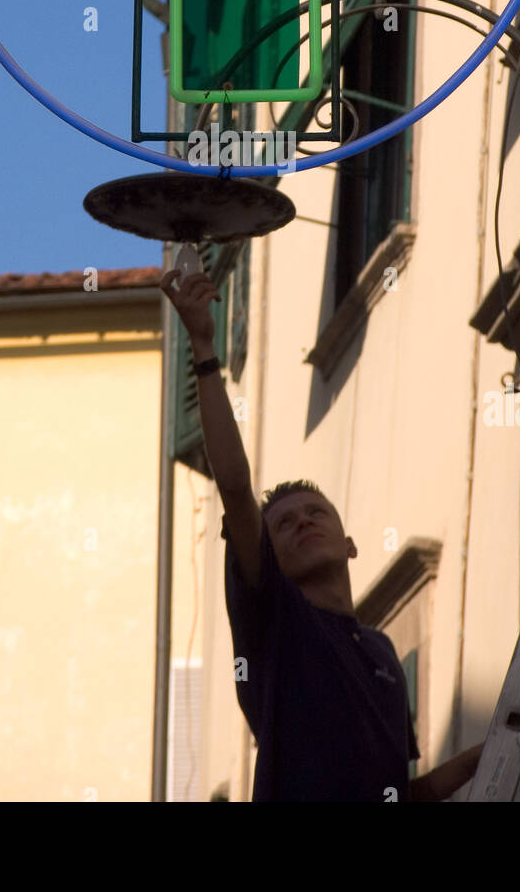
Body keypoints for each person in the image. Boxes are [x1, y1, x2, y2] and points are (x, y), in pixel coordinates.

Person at [161, 265, 485, 803]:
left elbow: (402, 796)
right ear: (268, 560)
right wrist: (203, 348)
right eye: (283, 524)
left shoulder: (382, 654)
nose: (303, 522)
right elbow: (237, 487)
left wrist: (481, 759)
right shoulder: (275, 620)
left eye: (315, 513)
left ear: (350, 544)